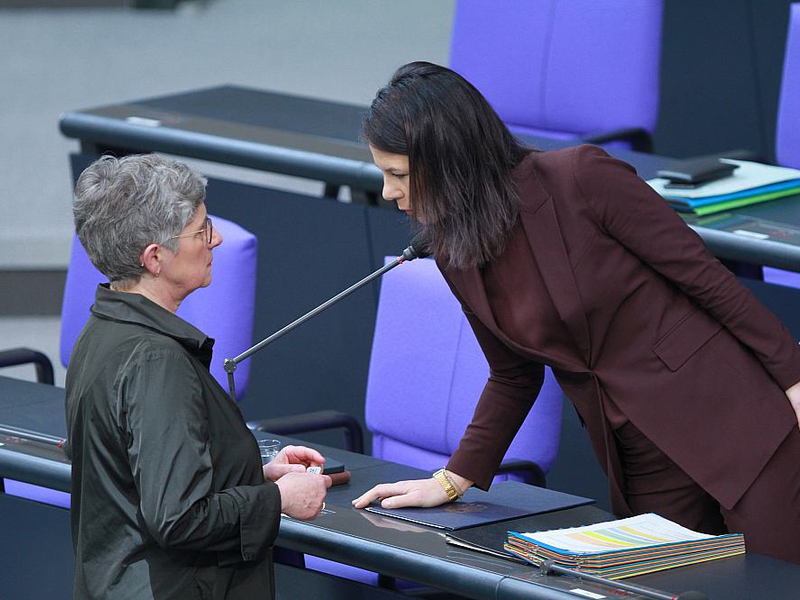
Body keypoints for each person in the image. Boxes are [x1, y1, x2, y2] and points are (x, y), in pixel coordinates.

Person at [352, 62, 800, 564]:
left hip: (732, 415)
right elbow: (512, 376)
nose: (390, 192)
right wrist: (453, 480)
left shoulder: (579, 179)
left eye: (399, 175)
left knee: (776, 580)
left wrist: (794, 380)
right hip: (636, 451)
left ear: (451, 159)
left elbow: (706, 279)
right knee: (674, 586)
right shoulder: (457, 251)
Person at [65, 154, 331, 599]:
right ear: (155, 258)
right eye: (202, 230)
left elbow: (132, 475)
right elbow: (180, 518)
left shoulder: (101, 330)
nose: (217, 239)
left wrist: (250, 473)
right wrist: (279, 500)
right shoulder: (155, 361)